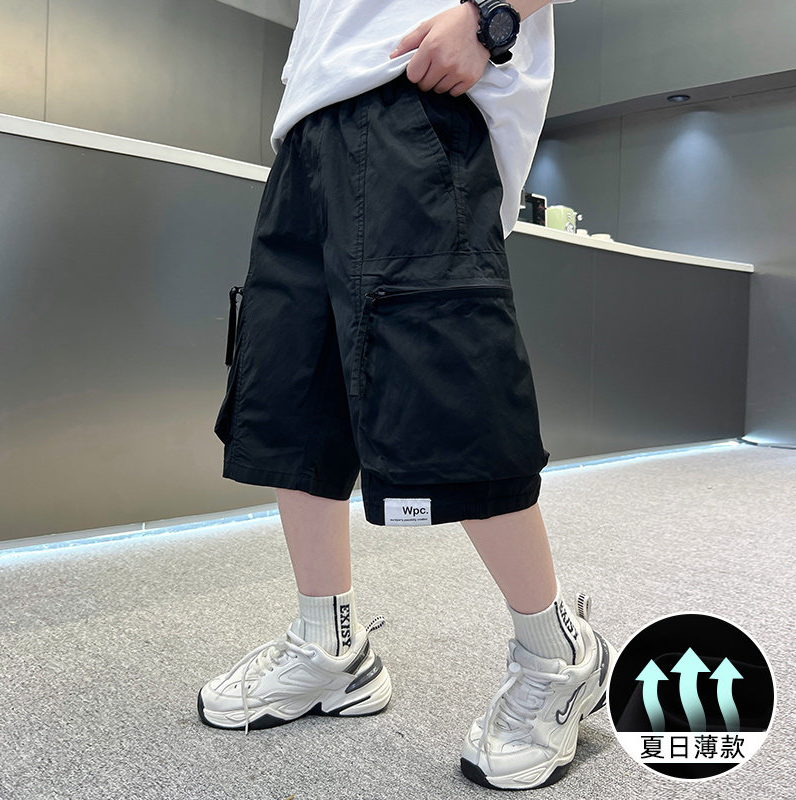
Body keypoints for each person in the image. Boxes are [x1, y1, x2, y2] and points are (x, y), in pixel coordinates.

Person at [199, 0, 617, 790]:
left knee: (449, 391)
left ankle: (558, 654)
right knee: (290, 394)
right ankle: (330, 645)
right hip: (306, 129)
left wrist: (492, 17)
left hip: (418, 95)